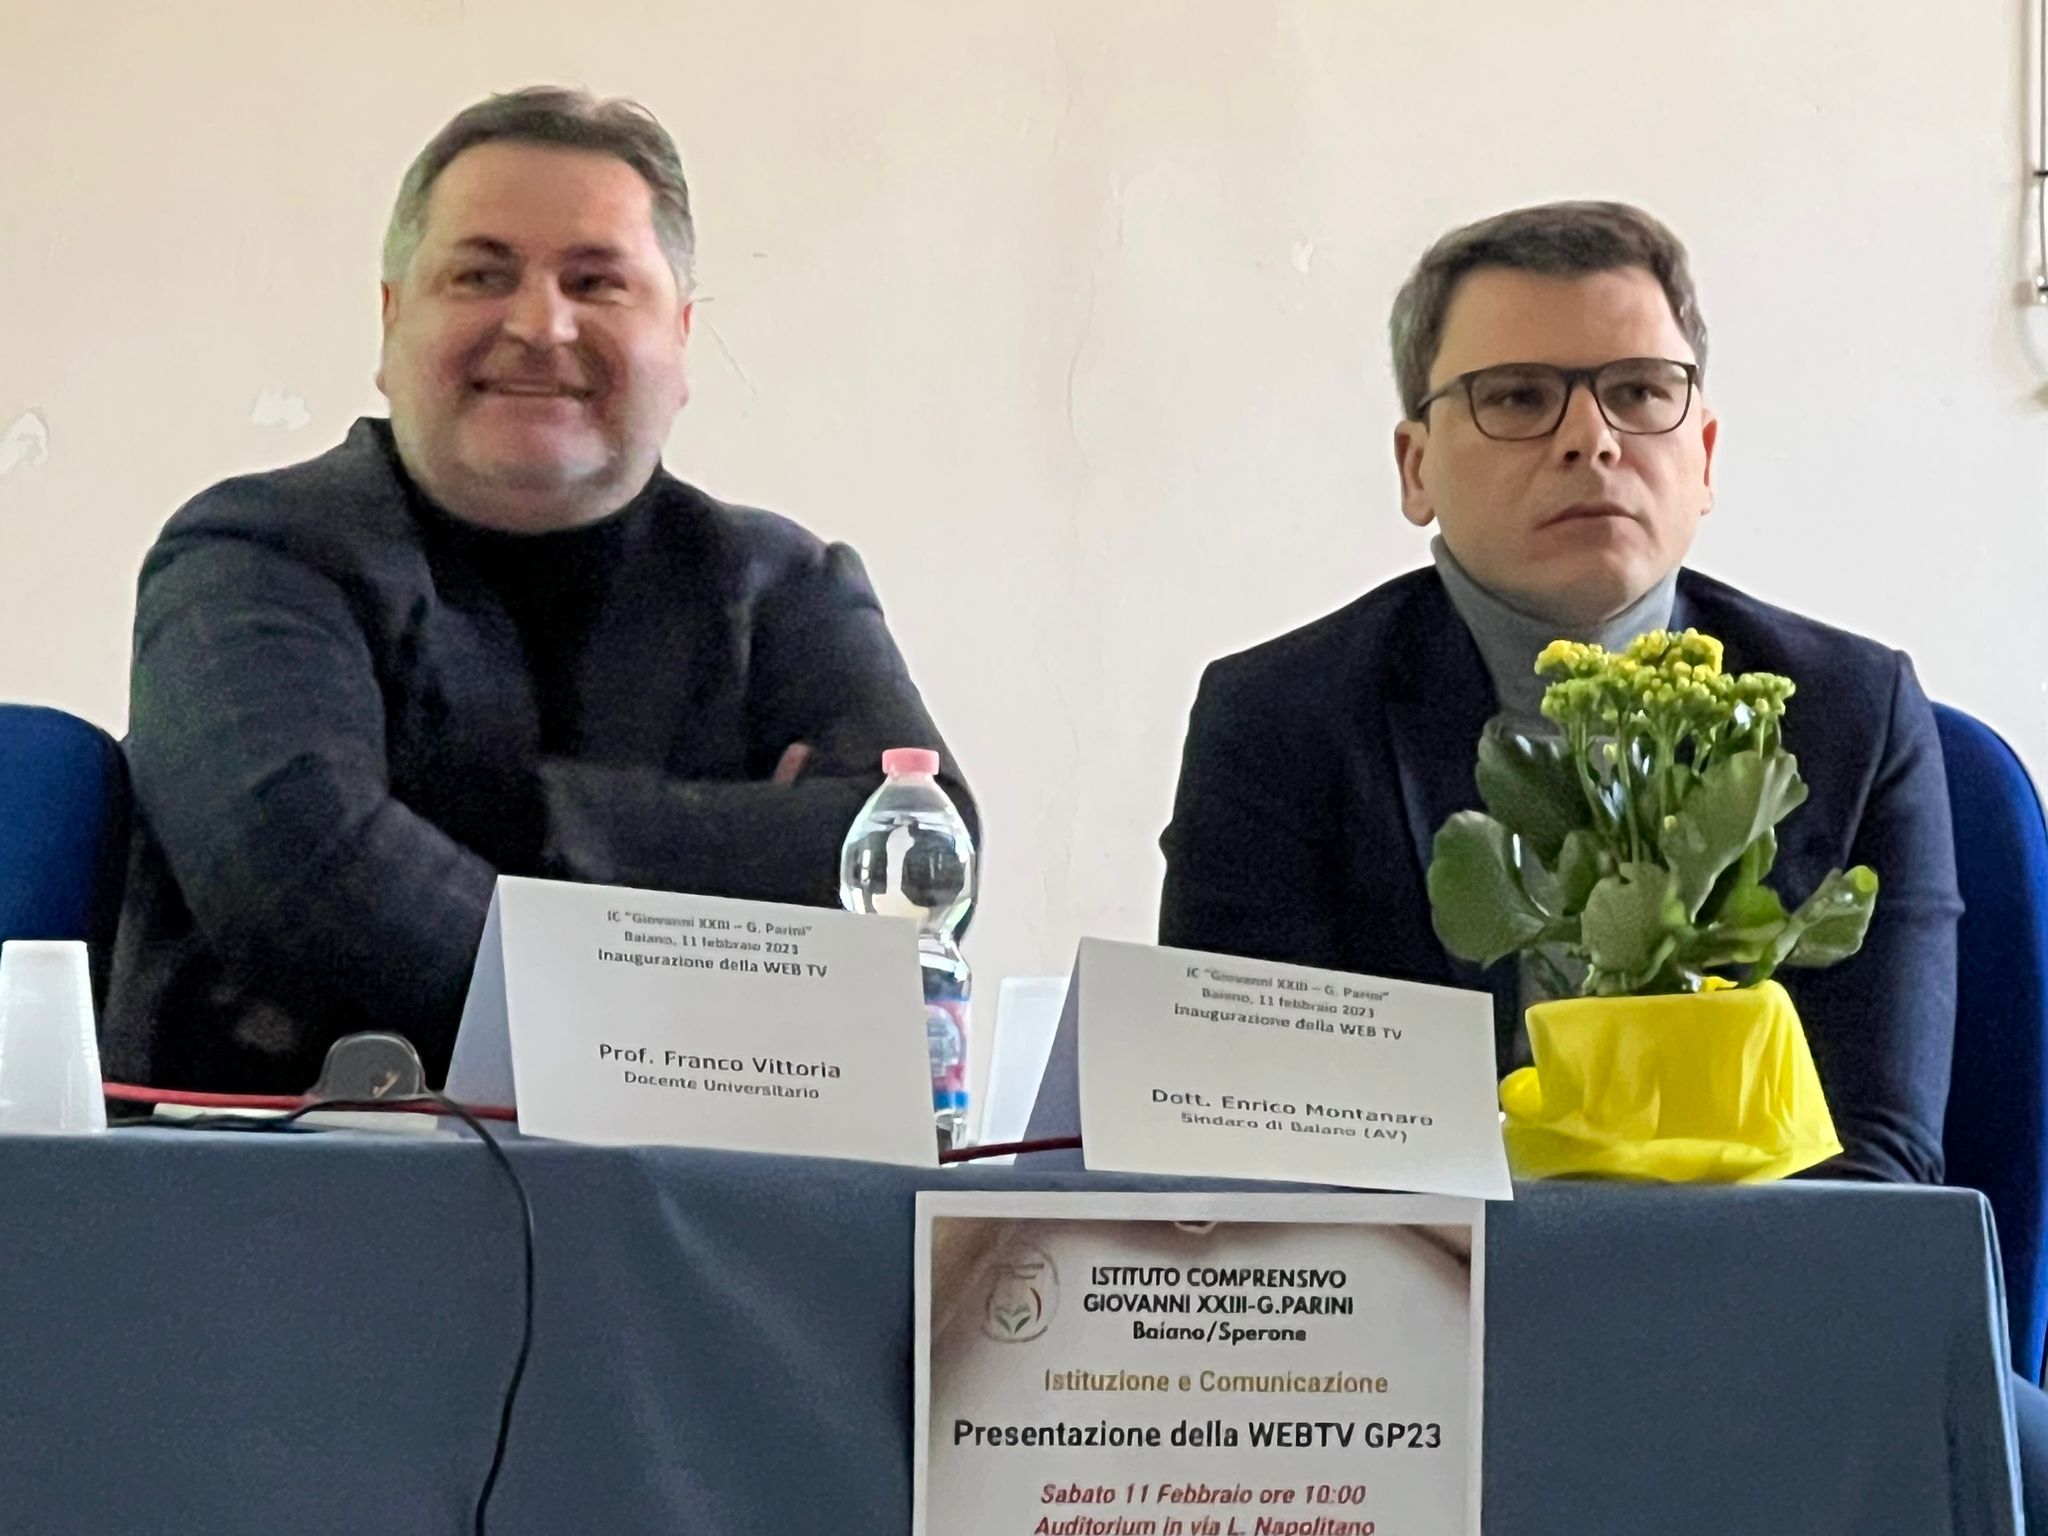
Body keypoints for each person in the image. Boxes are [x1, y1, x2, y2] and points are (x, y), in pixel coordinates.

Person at [104, 87, 972, 1094]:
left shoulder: (784, 586)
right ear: (391, 323)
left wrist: (489, 811)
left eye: (595, 282)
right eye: (481, 274)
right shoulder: (251, 555)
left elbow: (922, 872)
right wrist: (740, 883)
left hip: (716, 1174)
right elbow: (304, 886)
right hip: (304, 1173)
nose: (538, 324)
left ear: (680, 339)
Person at [1158, 201, 1956, 1188]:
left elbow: (1879, 1158)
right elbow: (1244, 1153)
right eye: (1518, 397)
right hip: (1418, 1279)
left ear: (1704, 456)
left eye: (1638, 391)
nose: (1590, 439)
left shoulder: (1852, 716)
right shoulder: (1277, 721)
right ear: (1415, 468)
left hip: (1760, 1278)